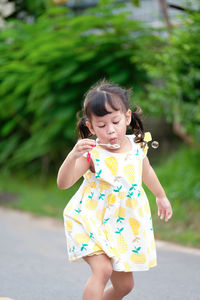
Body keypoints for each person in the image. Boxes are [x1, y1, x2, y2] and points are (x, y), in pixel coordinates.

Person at [57, 80, 173, 300]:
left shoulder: (137, 146)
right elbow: (63, 184)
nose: (110, 130)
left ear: (127, 117)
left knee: (125, 286)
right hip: (89, 220)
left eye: (115, 121)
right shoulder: (92, 153)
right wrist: (72, 156)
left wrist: (161, 196)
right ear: (90, 127)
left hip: (121, 225)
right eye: (101, 125)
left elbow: (146, 172)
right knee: (102, 271)